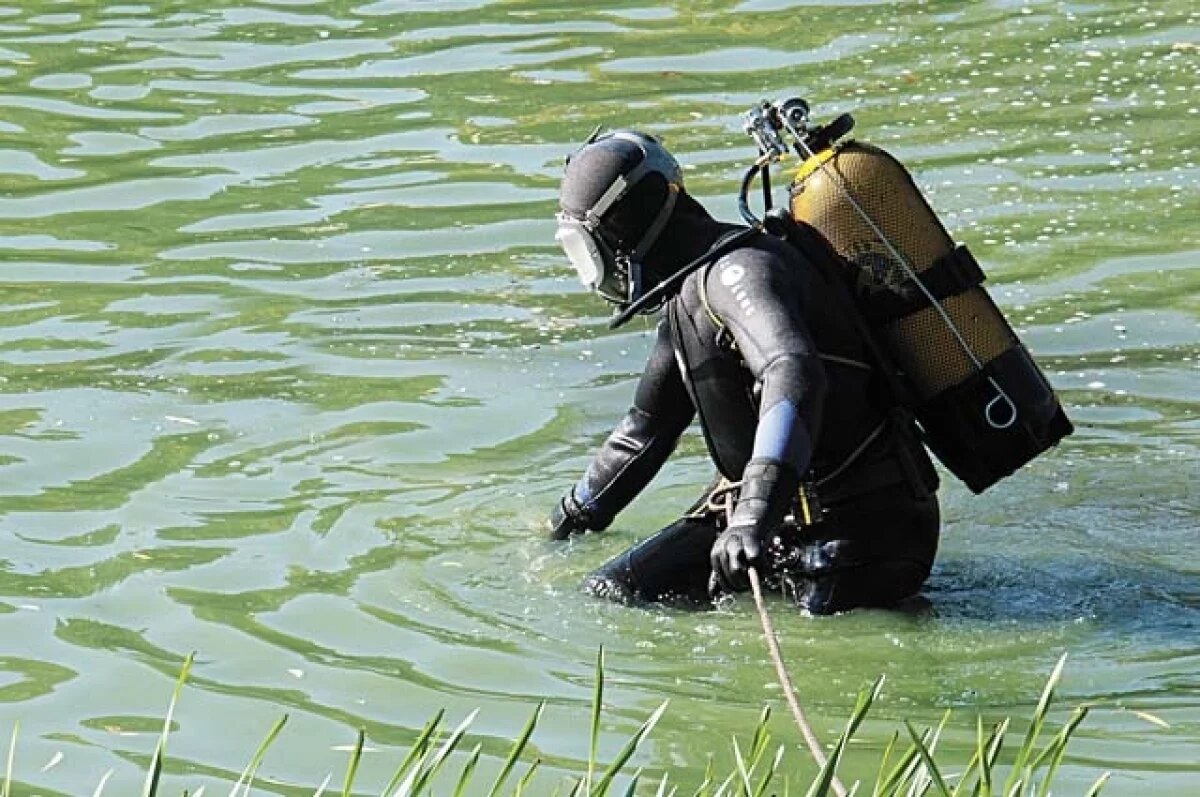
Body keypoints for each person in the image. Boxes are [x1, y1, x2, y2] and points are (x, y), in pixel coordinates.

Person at [547, 129, 941, 614]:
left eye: (589, 249)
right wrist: (568, 518)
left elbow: (792, 370)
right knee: (611, 592)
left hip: (863, 532)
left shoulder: (738, 273)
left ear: (625, 227)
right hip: (775, 522)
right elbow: (645, 430)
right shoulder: (687, 291)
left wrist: (754, 512)